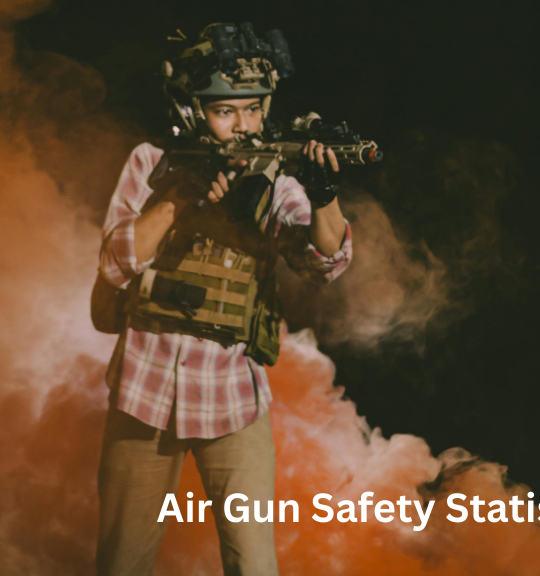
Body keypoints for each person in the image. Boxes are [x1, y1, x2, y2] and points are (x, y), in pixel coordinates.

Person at [94, 22, 353, 576]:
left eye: (254, 110)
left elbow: (325, 261)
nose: (244, 126)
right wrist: (179, 196)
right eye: (226, 111)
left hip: (233, 401)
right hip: (143, 392)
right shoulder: (152, 163)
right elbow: (116, 260)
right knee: (123, 562)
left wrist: (323, 194)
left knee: (254, 565)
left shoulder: (275, 180)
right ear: (191, 113)